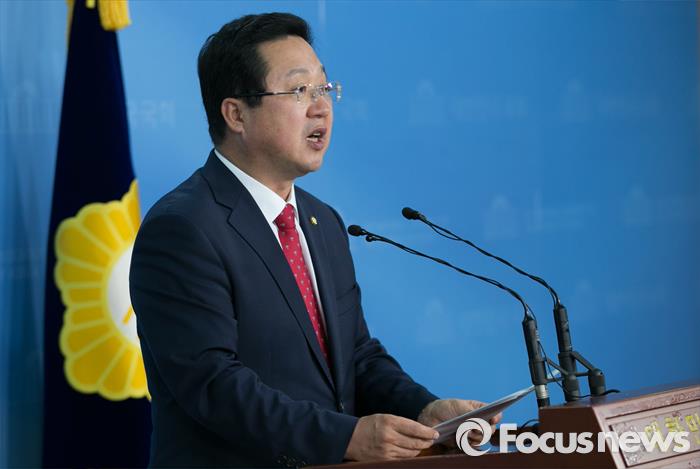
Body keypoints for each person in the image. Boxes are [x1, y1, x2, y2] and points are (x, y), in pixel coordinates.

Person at [130, 12, 499, 468]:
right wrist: (346, 438)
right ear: (236, 114)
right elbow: (213, 385)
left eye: (324, 88)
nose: (321, 107)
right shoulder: (183, 228)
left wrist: (424, 410)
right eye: (299, 90)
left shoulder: (321, 221)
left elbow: (356, 357)